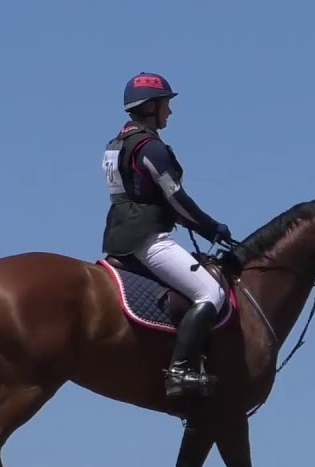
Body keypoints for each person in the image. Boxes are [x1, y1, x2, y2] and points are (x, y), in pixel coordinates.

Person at [101, 71, 236, 399]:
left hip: (118, 236)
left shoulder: (114, 146)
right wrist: (210, 227)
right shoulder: (150, 148)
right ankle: (180, 371)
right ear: (151, 108)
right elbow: (176, 199)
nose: (170, 113)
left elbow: (139, 196)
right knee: (210, 294)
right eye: (166, 105)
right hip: (147, 239)